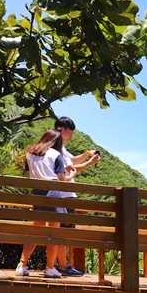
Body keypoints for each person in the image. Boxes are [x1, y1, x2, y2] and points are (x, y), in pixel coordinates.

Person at [15, 129, 78, 279]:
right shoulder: (55, 155)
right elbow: (62, 179)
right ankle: (50, 267)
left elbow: (30, 173)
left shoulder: (30, 154)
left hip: (37, 195)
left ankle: (21, 265)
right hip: (53, 194)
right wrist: (73, 175)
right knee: (53, 233)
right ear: (57, 142)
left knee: (36, 232)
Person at [53, 116, 100, 276]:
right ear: (61, 129)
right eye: (69, 132)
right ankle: (63, 265)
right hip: (65, 195)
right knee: (65, 232)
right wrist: (89, 164)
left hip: (64, 195)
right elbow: (70, 168)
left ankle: (58, 264)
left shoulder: (59, 147)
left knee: (63, 231)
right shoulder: (56, 148)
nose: (71, 135)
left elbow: (72, 160)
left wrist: (87, 154)